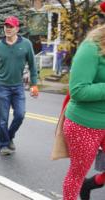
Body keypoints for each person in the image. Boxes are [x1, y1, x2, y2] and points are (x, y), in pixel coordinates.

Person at [62, 24, 105, 200]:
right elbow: (78, 90)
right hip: (85, 124)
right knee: (77, 174)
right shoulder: (91, 47)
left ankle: (90, 184)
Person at [0, 16, 38, 156]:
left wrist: (34, 84)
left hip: (18, 87)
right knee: (3, 119)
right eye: (6, 26)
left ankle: (9, 136)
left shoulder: (26, 44)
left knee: (20, 115)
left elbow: (33, 66)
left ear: (17, 29)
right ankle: (3, 144)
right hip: (2, 86)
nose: (8, 29)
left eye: (11, 26)